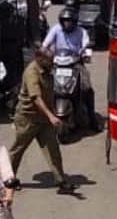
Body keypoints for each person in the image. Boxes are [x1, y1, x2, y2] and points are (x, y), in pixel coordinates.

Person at [9, 48, 73, 194]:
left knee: (53, 150)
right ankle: (9, 180)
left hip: (44, 119)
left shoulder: (47, 70)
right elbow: (36, 98)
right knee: (17, 150)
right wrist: (51, 116)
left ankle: (61, 181)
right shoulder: (32, 72)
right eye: (49, 60)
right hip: (28, 119)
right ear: (39, 58)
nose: (52, 62)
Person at [41, 7, 97, 129]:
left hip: (76, 64)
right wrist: (44, 54)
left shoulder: (81, 32)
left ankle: (92, 119)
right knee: (43, 85)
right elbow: (45, 45)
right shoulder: (56, 29)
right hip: (57, 63)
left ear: (75, 21)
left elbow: (86, 45)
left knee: (87, 87)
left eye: (70, 21)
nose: (67, 23)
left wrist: (86, 55)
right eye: (65, 20)